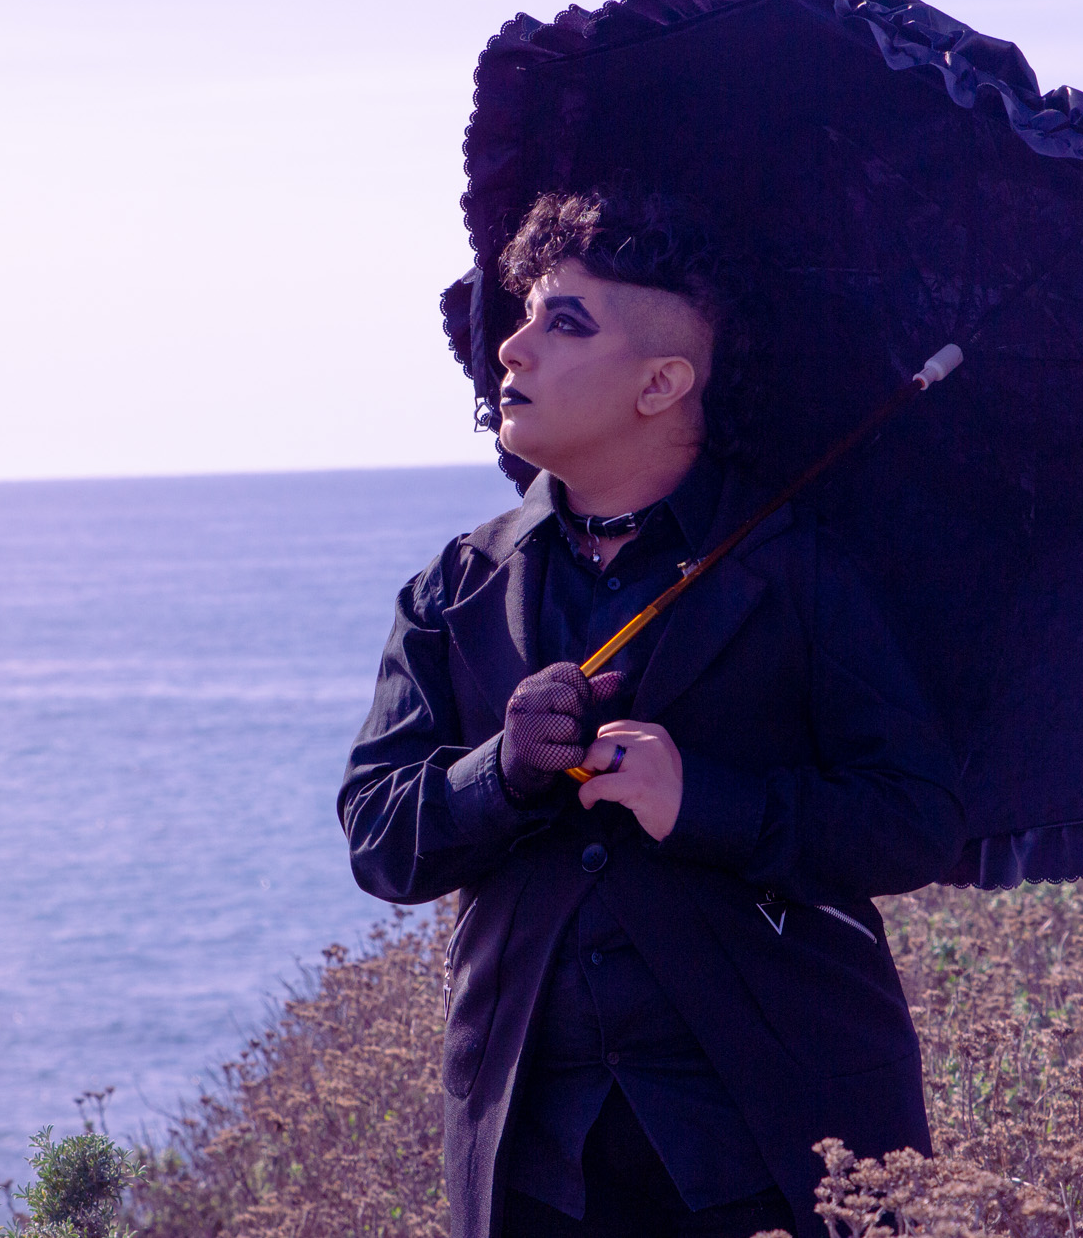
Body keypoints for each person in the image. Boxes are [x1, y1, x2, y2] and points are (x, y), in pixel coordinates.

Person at [340, 189, 964, 1238]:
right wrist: (498, 772)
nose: (513, 349)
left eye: (563, 322)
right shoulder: (454, 588)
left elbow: (913, 817)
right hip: (532, 1160)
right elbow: (377, 841)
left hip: (782, 1140)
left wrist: (705, 803)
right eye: (524, 314)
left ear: (663, 382)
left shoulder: (800, 569)